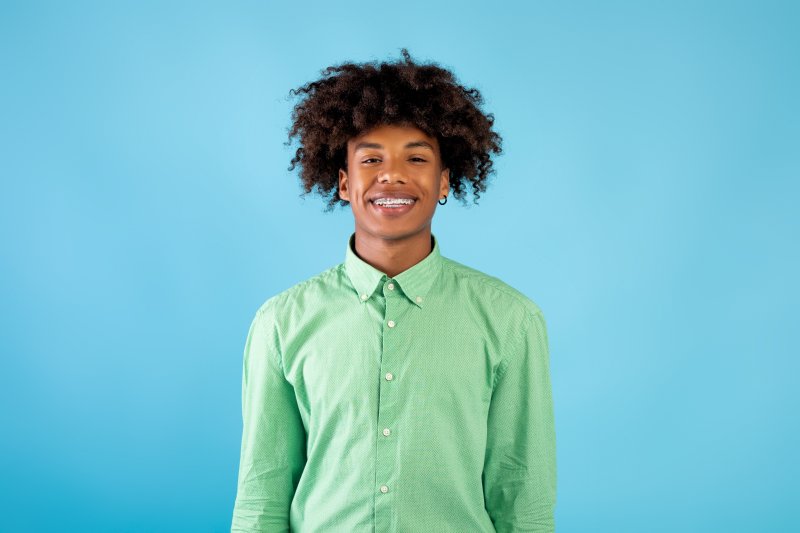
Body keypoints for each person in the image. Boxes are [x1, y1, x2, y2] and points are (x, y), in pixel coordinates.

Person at [231, 49, 556, 532]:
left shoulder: (511, 321)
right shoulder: (281, 322)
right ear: (343, 182)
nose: (393, 174)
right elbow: (263, 488)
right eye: (371, 159)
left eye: (417, 158)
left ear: (445, 180)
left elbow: (521, 492)